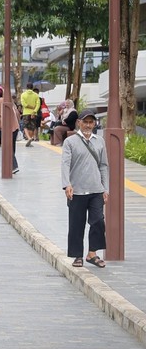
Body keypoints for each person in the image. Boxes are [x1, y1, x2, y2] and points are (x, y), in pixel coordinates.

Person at [62, 110, 108, 269]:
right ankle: (77, 256)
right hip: (77, 190)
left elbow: (104, 166)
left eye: (91, 122)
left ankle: (92, 254)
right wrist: (67, 184)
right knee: (76, 224)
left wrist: (105, 188)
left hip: (96, 190)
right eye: (85, 122)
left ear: (94, 124)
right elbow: (65, 164)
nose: (88, 125)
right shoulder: (70, 142)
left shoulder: (100, 141)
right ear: (79, 123)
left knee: (98, 221)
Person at [0, 89, 20, 174]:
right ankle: (11, 165)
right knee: (12, 147)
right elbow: (17, 114)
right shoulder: (12, 102)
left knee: (8, 147)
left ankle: (14, 166)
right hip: (15, 127)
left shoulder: (0, 100)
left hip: (7, 128)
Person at [20, 83, 40, 147]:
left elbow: (23, 104)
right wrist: (34, 111)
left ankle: (29, 138)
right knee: (32, 127)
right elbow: (38, 104)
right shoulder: (36, 95)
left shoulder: (23, 94)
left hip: (26, 112)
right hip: (34, 113)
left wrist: (29, 107)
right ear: (32, 87)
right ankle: (30, 139)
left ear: (26, 87)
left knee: (25, 126)